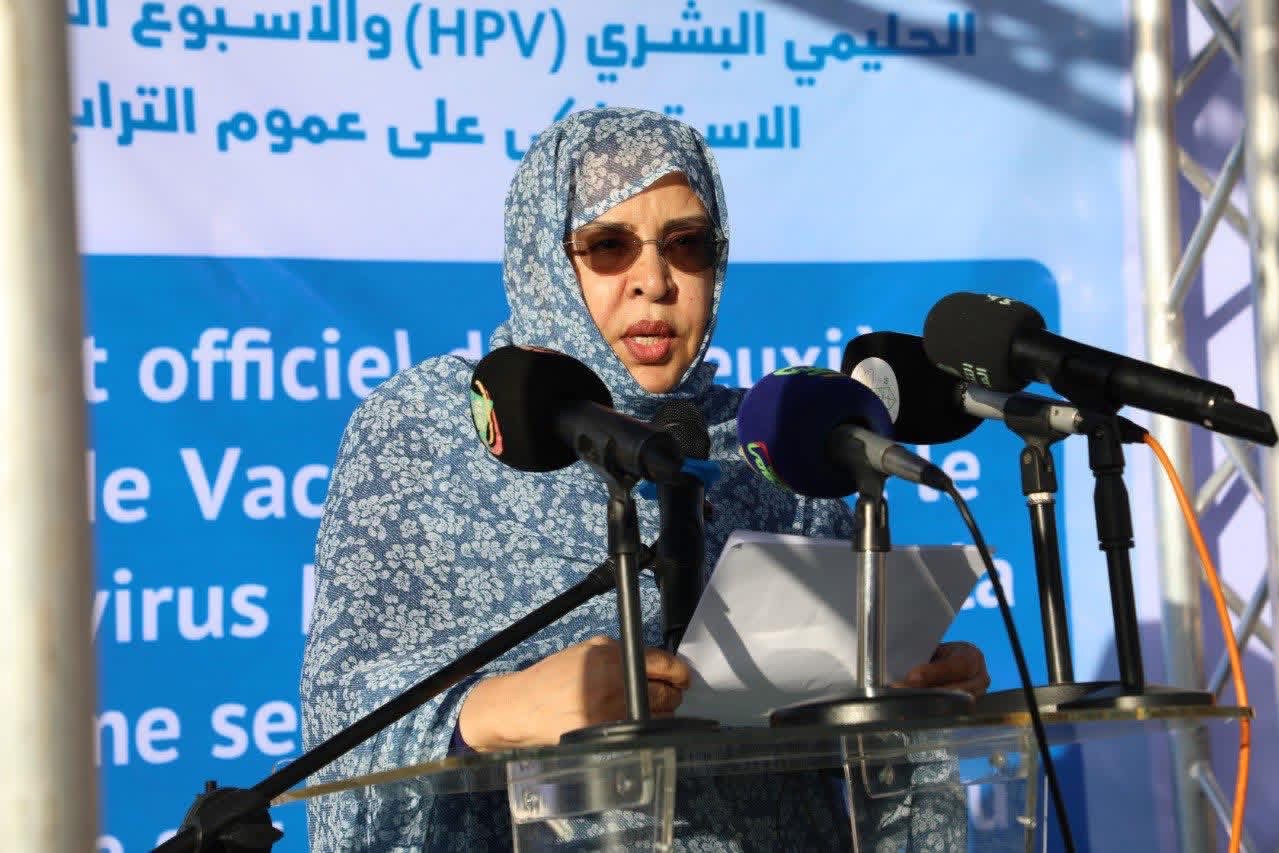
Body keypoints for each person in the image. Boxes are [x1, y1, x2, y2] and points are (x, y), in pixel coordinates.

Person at [300, 107, 989, 851]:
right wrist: (499, 710)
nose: (655, 283)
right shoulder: (438, 432)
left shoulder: (775, 442)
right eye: (609, 246)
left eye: (687, 245)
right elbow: (341, 713)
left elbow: (853, 761)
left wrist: (904, 698)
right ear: (545, 260)